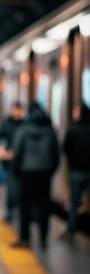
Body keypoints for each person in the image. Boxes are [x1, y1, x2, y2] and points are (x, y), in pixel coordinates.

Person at [10, 102, 60, 249]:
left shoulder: (23, 129)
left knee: (24, 205)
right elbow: (56, 155)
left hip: (27, 173)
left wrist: (16, 171)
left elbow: (17, 152)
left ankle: (25, 238)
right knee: (44, 205)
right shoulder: (51, 131)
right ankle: (43, 238)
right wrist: (50, 171)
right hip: (44, 173)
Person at [63, 102, 90, 237]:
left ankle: (71, 231)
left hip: (77, 171)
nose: (73, 113)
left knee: (74, 203)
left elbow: (66, 149)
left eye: (75, 110)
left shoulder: (73, 129)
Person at [0, 101, 25, 221]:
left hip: (22, 162)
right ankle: (11, 212)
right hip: (8, 163)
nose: (17, 112)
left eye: (19, 110)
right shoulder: (6, 124)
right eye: (15, 109)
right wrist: (0, 150)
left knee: (20, 189)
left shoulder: (24, 124)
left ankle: (18, 212)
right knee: (11, 189)